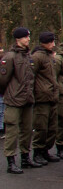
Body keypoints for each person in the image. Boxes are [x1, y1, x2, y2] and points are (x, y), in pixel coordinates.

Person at [0, 27, 37, 174]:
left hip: (27, 98)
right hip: (14, 99)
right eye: (25, 37)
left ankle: (25, 157)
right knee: (12, 131)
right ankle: (11, 160)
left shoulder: (28, 56)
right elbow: (3, 79)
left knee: (27, 130)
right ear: (18, 39)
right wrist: (9, 93)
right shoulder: (10, 57)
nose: (28, 39)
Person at [31, 32, 60, 165]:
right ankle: (38, 151)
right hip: (42, 97)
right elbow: (31, 76)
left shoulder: (50, 57)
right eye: (51, 42)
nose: (53, 44)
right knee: (41, 127)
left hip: (52, 97)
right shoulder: (37, 57)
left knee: (52, 127)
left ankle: (46, 150)